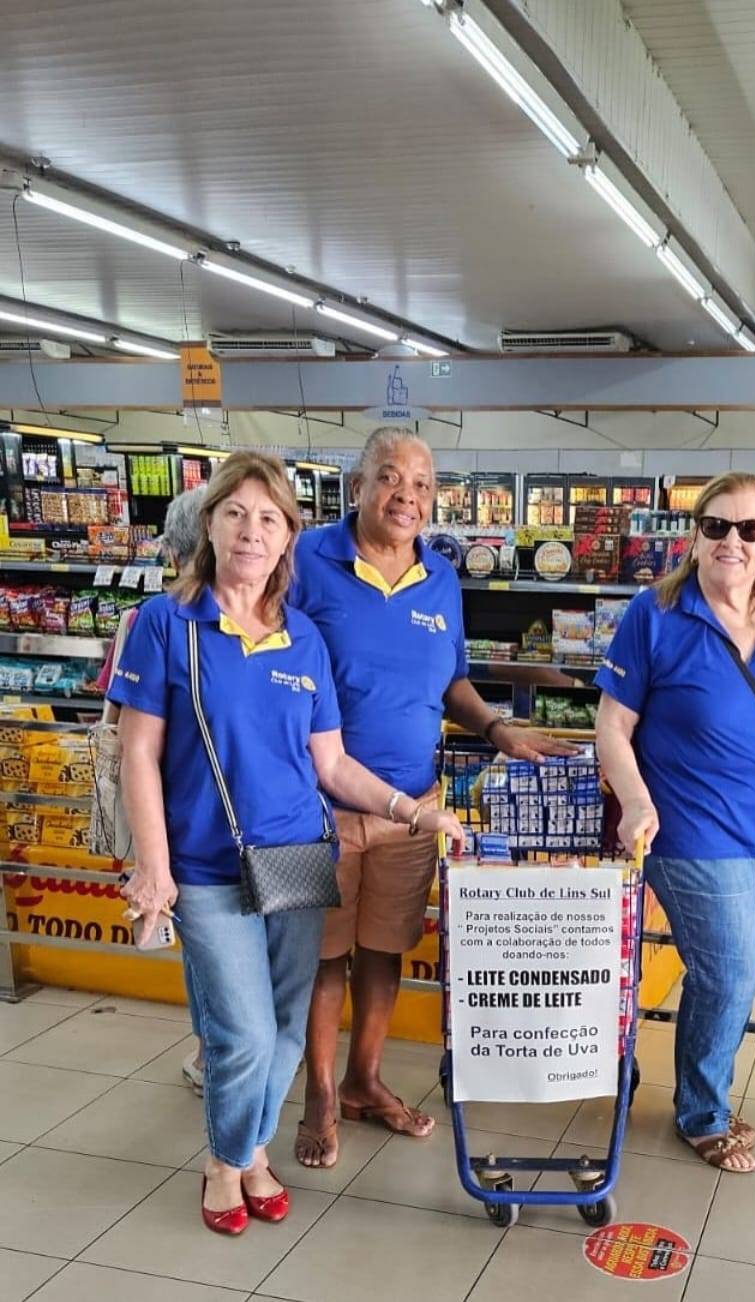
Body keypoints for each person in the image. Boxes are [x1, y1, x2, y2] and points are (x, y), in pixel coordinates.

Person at [108, 452, 463, 1235]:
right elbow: (138, 752)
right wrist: (154, 868)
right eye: (236, 513)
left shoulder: (302, 638)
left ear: (287, 539)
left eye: (269, 518)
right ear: (210, 523)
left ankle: (250, 1153)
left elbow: (331, 762)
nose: (251, 531)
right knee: (239, 1032)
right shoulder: (167, 623)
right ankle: (228, 1164)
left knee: (284, 1033)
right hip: (203, 866)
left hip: (301, 854)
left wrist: (413, 810)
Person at [290, 426, 576, 1168]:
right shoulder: (305, 560)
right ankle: (320, 1095)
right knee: (321, 956)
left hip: (412, 806)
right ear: (358, 485)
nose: (406, 496)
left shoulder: (440, 578)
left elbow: (450, 680)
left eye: (421, 484)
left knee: (383, 949)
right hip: (312, 806)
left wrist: (497, 727)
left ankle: (364, 1079)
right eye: (390, 477)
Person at [595, 472, 755, 1172]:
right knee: (730, 973)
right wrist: (636, 799)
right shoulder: (656, 615)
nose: (733, 541)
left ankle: (704, 1089)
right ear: (695, 535)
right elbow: (613, 724)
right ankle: (703, 1111)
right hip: (692, 831)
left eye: (750, 528)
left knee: (733, 967)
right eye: (717, 526)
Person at [96, 486, 209, 1095]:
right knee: (202, 944)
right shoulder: (156, 621)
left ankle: (210, 1048)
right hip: (178, 816)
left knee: (201, 948)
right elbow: (126, 738)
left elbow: (114, 722)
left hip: (171, 814)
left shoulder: (142, 618)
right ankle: (208, 1050)